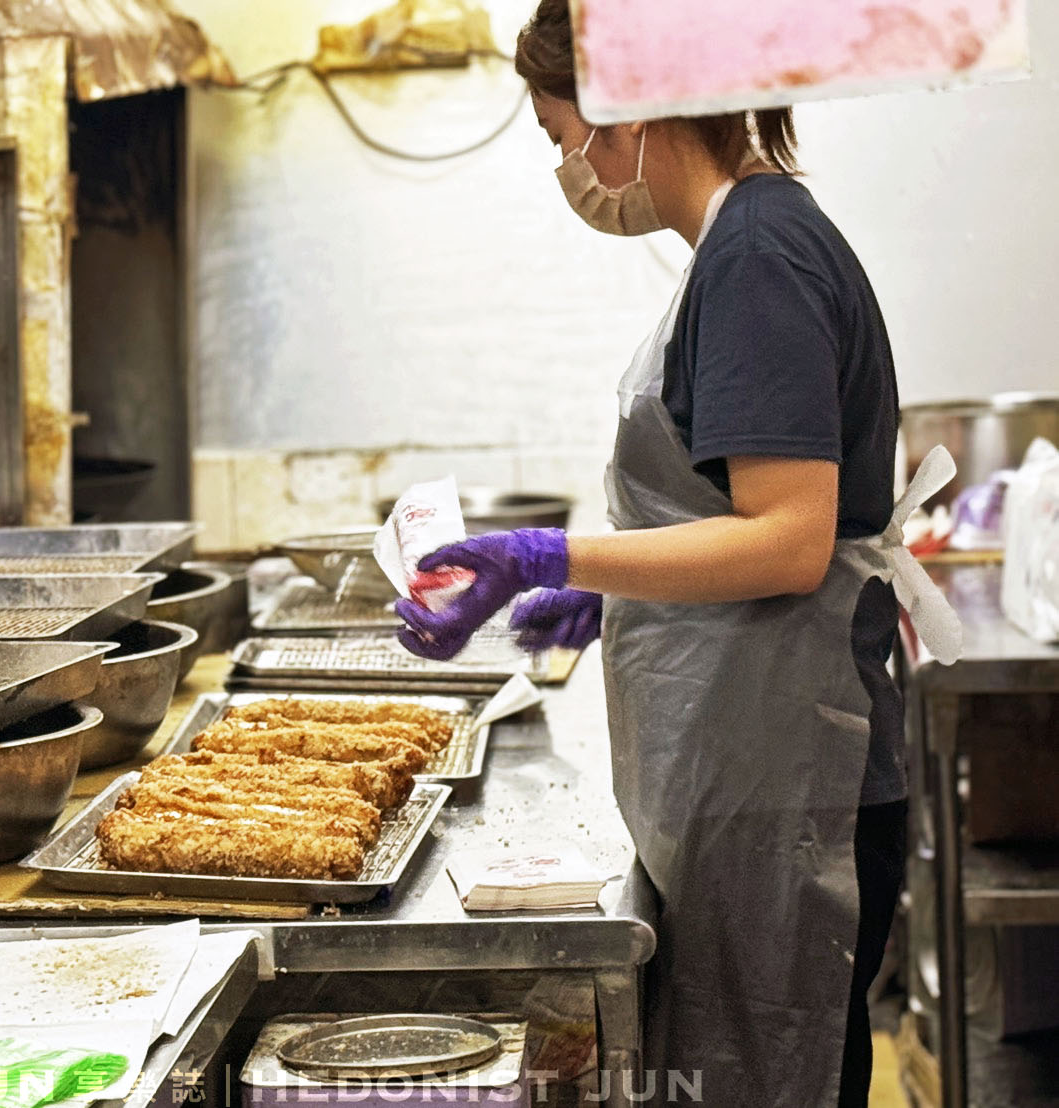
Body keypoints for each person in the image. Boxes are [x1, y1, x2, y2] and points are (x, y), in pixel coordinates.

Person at [395, 2, 961, 1105]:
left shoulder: (757, 253)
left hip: (783, 783)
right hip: (751, 762)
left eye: (570, 136)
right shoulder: (744, 246)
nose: (579, 166)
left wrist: (553, 555)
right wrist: (616, 603)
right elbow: (750, 518)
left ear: (629, 112)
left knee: (771, 1080)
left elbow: (790, 543)